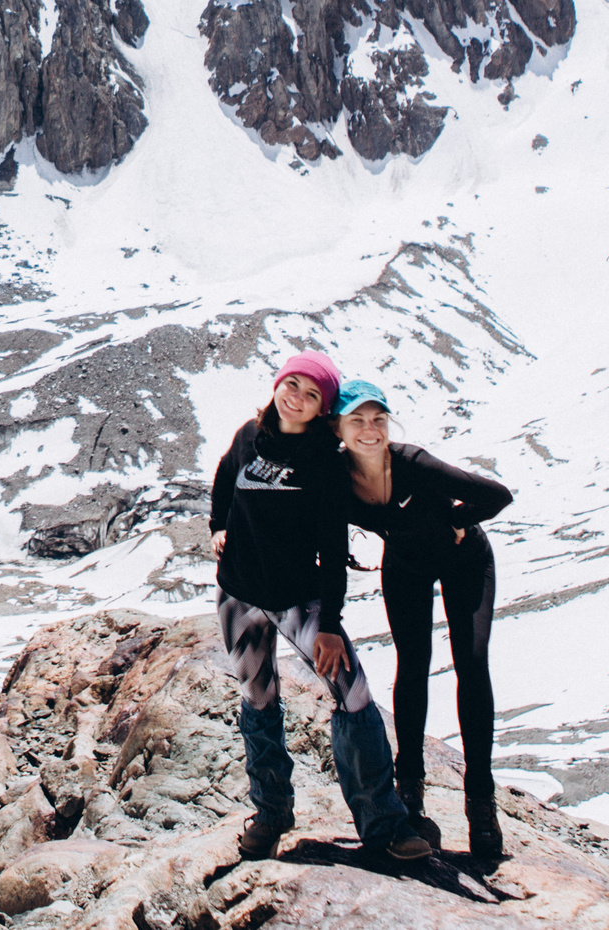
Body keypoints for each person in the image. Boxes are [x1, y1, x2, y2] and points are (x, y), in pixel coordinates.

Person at [209, 351, 432, 862]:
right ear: (278, 383)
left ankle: (384, 824)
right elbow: (225, 478)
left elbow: (333, 548)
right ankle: (270, 813)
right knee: (257, 700)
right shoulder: (249, 434)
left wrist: (329, 623)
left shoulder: (325, 463)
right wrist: (218, 526)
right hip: (239, 596)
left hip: (299, 601)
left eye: (312, 395)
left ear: (321, 409)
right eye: (293, 385)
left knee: (353, 695)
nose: (297, 398)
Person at [331, 377, 514, 859]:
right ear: (338, 428)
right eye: (358, 420)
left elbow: (498, 495)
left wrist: (456, 521)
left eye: (379, 419)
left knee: (471, 663)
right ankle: (409, 792)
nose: (370, 430)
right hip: (406, 563)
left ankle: (481, 804)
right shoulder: (338, 478)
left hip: (465, 558)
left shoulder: (412, 462)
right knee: (412, 667)